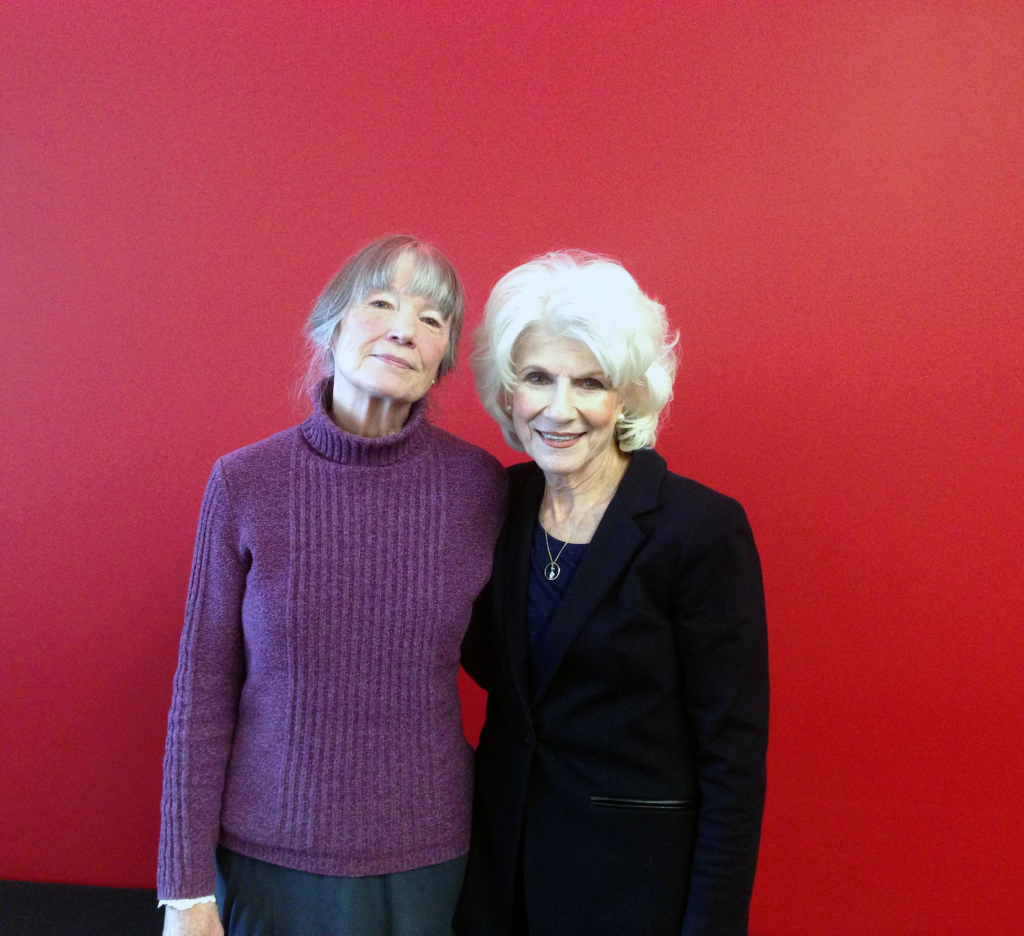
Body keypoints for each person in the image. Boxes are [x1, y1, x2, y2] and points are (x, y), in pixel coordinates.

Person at [157, 235, 507, 936]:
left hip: (429, 863)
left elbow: (519, 665)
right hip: (268, 860)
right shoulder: (245, 483)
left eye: (433, 320)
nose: (404, 329)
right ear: (330, 326)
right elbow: (201, 694)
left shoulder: (481, 487)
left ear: (444, 359)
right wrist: (185, 890)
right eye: (380, 302)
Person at [454, 251, 769, 936]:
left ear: (627, 395)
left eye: (589, 382)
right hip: (493, 888)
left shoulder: (699, 529)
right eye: (537, 377)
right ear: (507, 391)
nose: (558, 409)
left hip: (631, 896)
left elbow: (733, 761)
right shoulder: (490, 504)